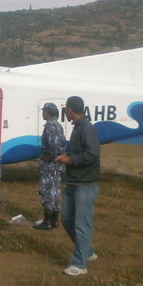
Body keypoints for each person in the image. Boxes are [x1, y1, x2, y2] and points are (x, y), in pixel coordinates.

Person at [55, 96, 100, 276]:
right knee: (67, 219)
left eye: (66, 110)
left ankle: (79, 265)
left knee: (82, 225)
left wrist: (70, 160)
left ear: (70, 110)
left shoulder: (87, 128)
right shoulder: (78, 127)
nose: (65, 113)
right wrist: (66, 155)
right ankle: (87, 251)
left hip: (85, 184)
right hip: (74, 182)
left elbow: (92, 154)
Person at [33, 102, 65, 231]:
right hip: (57, 165)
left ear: (49, 112)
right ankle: (54, 220)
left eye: (44, 111)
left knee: (46, 191)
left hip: (49, 165)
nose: (42, 113)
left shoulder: (49, 126)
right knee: (55, 191)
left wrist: (49, 156)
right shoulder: (59, 126)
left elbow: (53, 145)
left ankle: (47, 222)